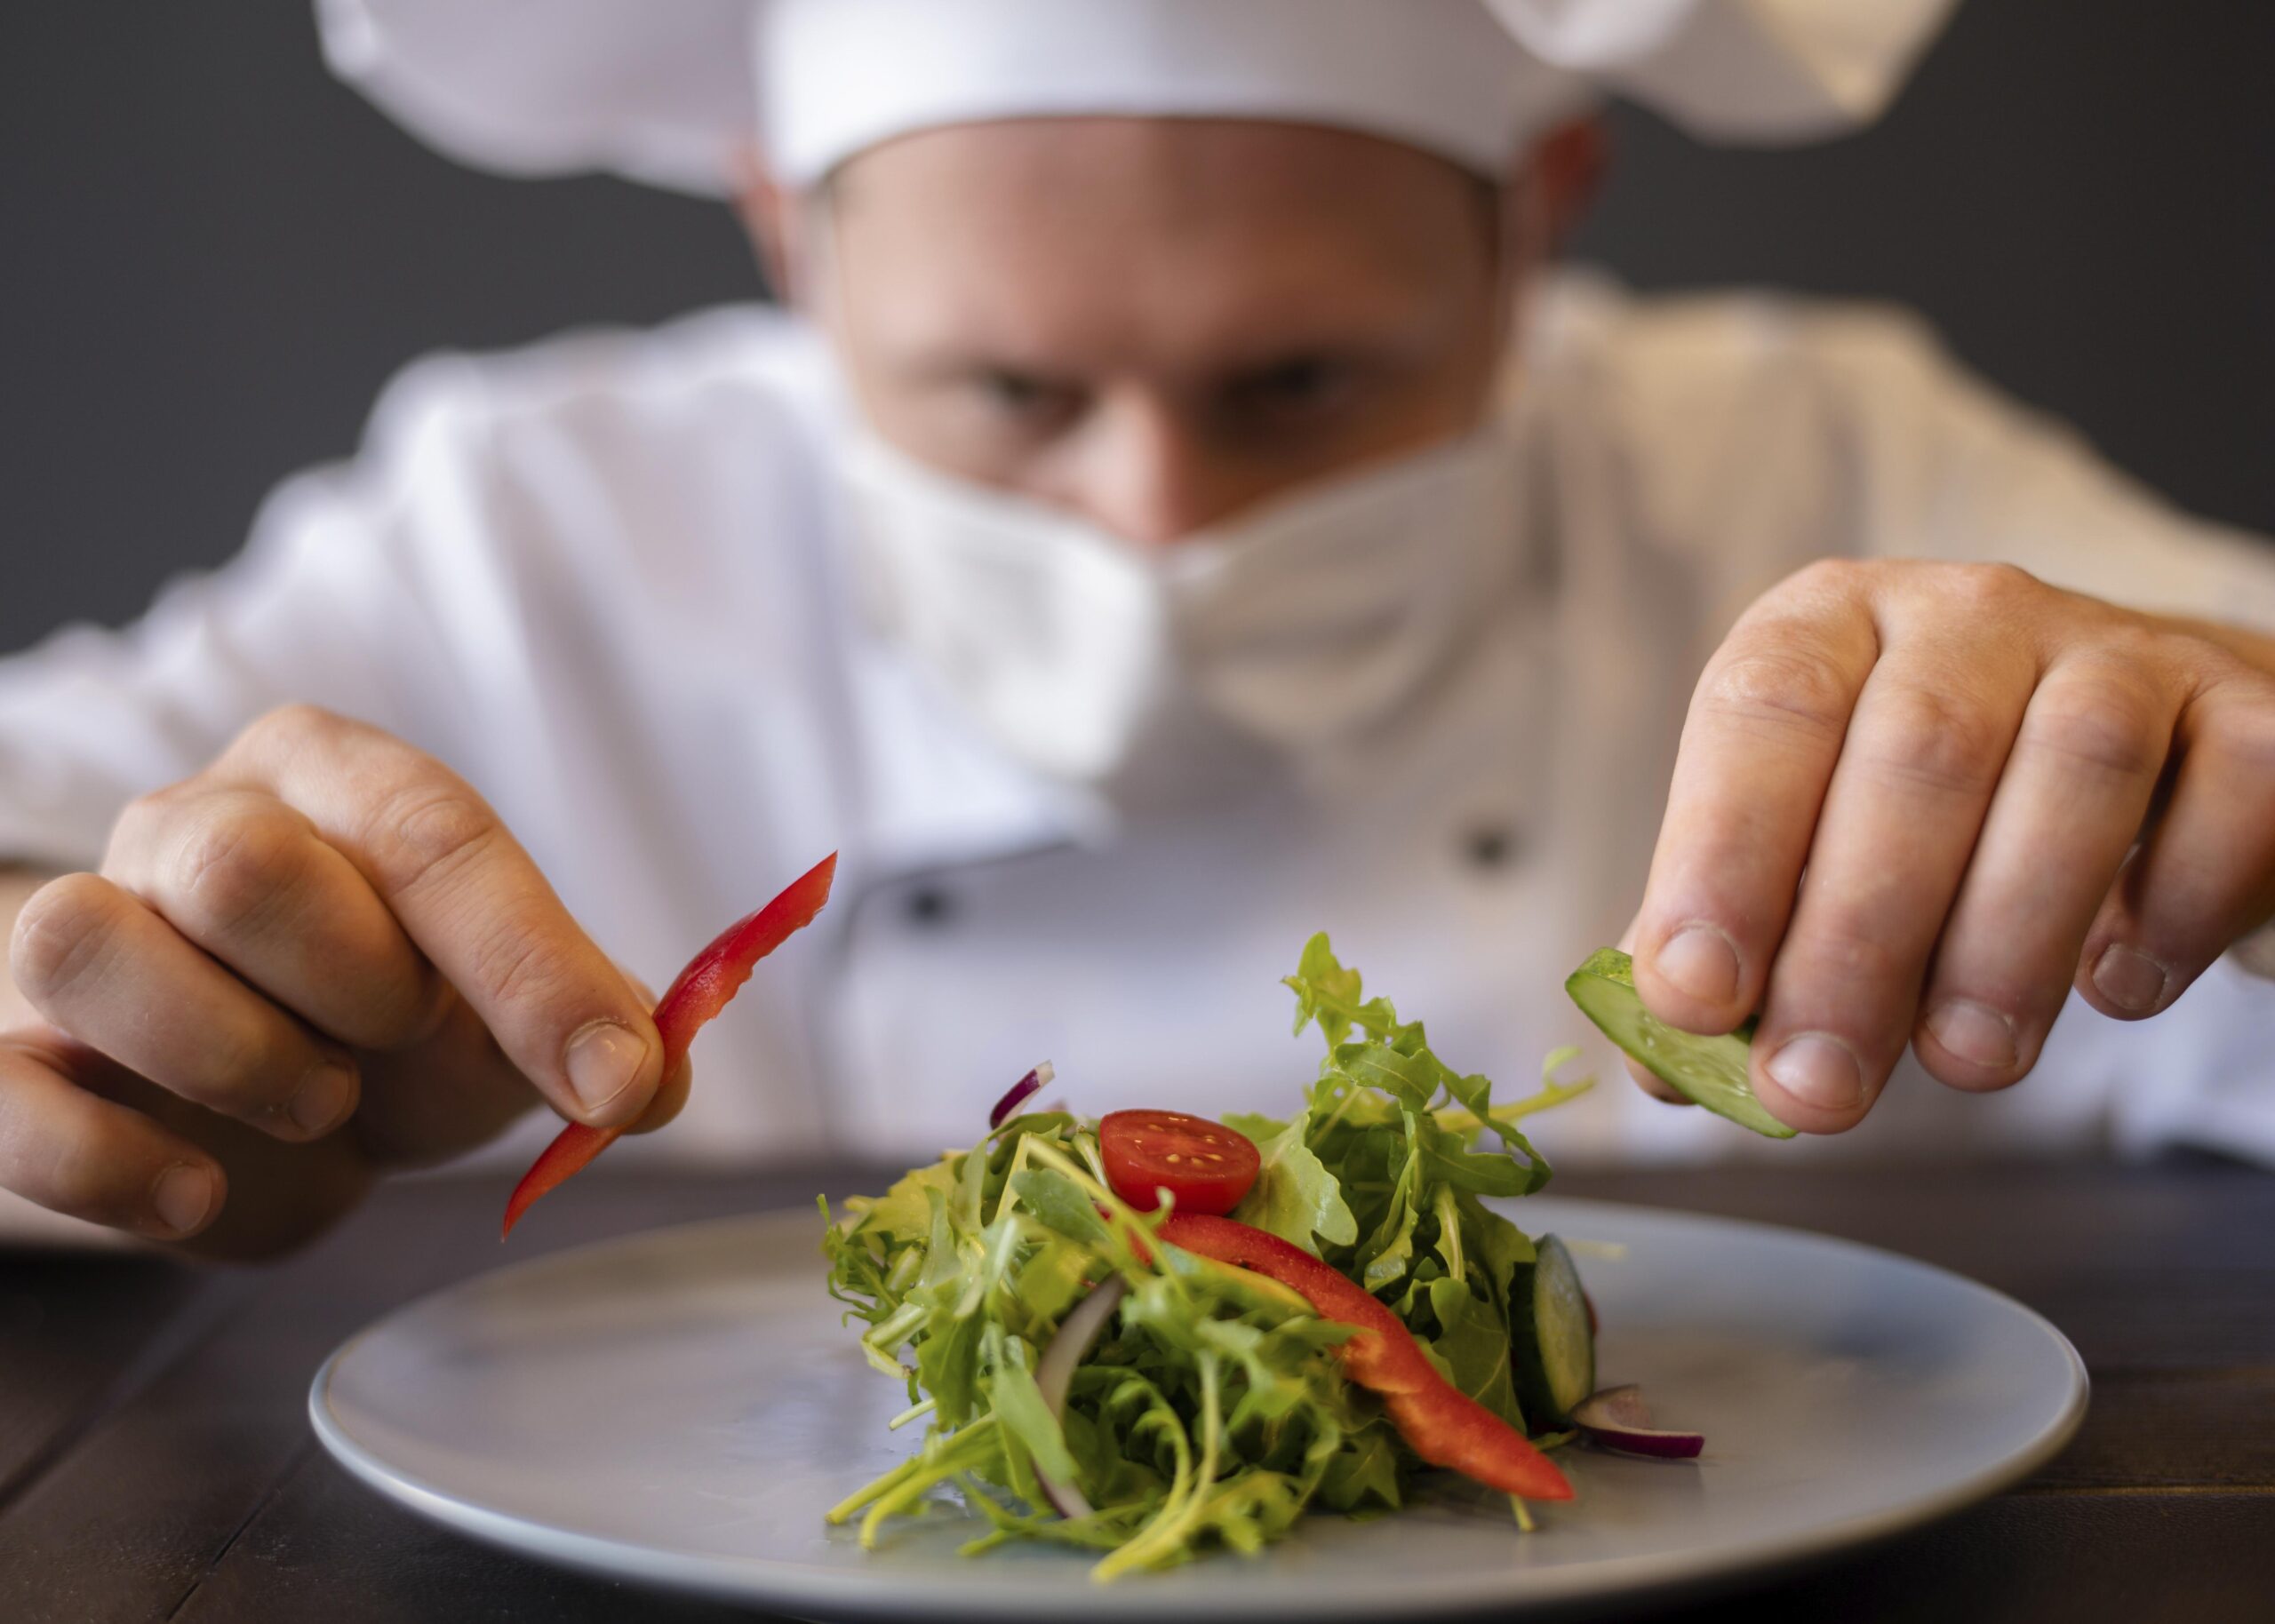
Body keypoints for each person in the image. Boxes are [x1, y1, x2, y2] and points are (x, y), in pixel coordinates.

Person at [2, 0, 2271, 1258]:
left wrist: (2235, 771)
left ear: (1535, 220)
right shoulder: (524, 531)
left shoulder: (1833, 465)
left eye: (1303, 385)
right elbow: (36, 879)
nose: (1155, 517)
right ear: (791, 240)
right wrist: (127, 1019)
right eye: (1008, 395)